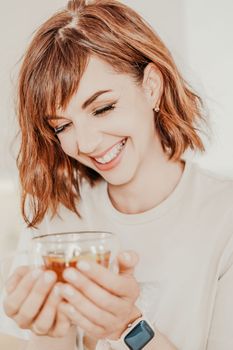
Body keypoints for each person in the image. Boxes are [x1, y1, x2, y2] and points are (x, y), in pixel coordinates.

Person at [1, 0, 233, 349]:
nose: (86, 143)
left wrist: (128, 327)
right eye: (63, 126)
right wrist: (50, 330)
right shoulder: (57, 218)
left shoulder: (223, 219)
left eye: (103, 108)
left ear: (151, 86)